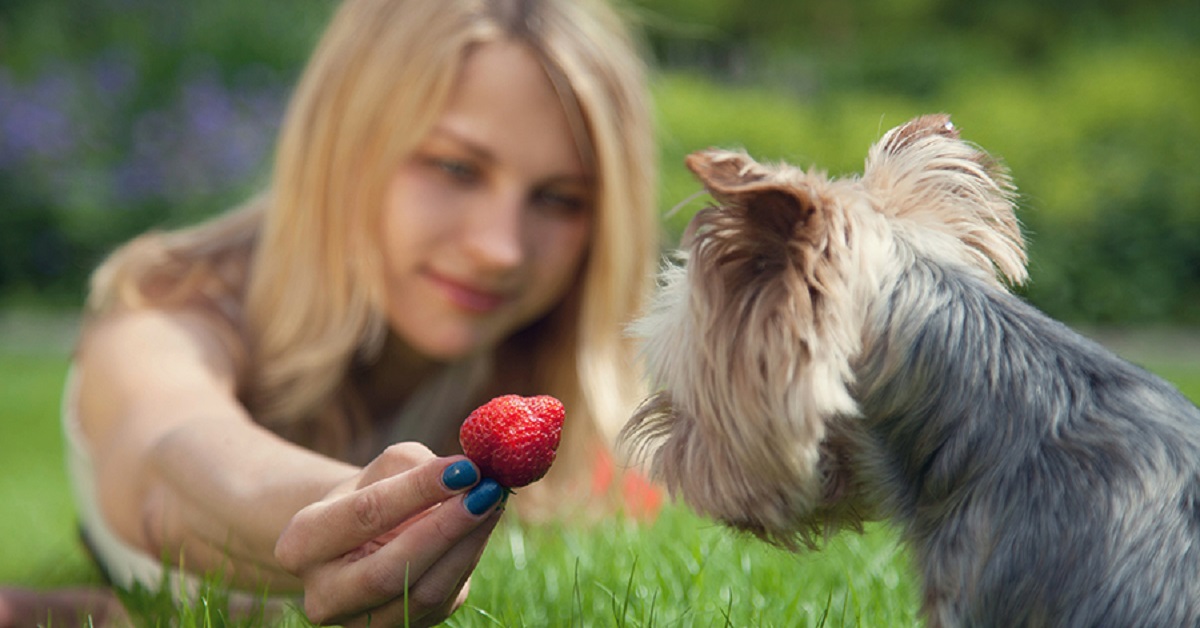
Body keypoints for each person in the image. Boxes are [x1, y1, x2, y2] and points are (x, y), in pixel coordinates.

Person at [0, 0, 662, 625]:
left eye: (560, 199)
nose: (500, 248)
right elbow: (175, 456)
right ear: (344, 143)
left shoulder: (531, 357)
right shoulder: (168, 311)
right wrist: (360, 508)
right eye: (456, 168)